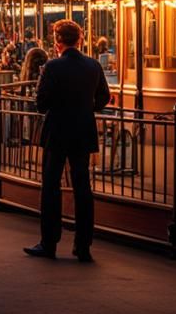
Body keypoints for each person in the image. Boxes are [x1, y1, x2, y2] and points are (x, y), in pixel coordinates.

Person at [24, 19, 111, 262]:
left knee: (51, 186)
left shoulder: (53, 67)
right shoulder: (93, 65)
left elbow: (41, 103)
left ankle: (49, 242)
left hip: (58, 130)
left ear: (57, 41)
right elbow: (104, 97)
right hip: (83, 130)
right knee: (83, 187)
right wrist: (86, 108)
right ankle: (83, 245)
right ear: (80, 40)